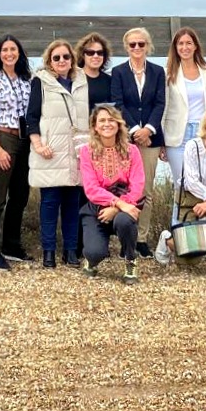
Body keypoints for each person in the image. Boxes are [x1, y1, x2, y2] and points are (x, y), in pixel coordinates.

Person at [154, 103, 206, 277]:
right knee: (189, 259)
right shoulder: (193, 146)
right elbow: (191, 182)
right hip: (191, 197)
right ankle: (167, 240)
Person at [27, 40, 87, 268]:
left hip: (75, 153)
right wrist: (38, 144)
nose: (62, 61)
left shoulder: (81, 82)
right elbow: (31, 117)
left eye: (66, 57)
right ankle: (49, 252)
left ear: (72, 59)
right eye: (57, 57)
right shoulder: (40, 83)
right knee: (50, 204)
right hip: (50, 152)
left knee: (72, 205)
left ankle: (70, 251)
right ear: (49, 61)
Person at [110, 27, 166, 258]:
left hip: (151, 138)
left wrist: (148, 129)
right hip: (126, 138)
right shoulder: (119, 72)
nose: (136, 48)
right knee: (124, 189)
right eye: (132, 44)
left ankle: (141, 238)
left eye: (141, 44)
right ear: (126, 47)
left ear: (148, 46)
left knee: (146, 191)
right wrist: (134, 130)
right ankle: (125, 238)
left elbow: (160, 103)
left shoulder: (157, 71)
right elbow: (118, 103)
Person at [0, 34, 32, 271]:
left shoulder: (26, 80)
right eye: (5, 50)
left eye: (13, 49)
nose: (9, 53)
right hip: (2, 137)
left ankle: (11, 245)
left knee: (20, 194)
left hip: (24, 140)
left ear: (19, 53)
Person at [78, 104, 146, 284]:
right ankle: (91, 260)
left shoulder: (132, 151)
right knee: (95, 253)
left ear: (118, 124)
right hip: (96, 209)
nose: (107, 124)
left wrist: (118, 207)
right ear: (94, 126)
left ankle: (130, 259)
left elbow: (137, 186)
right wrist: (119, 204)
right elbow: (91, 189)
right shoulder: (86, 151)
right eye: (102, 120)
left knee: (125, 220)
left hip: (125, 205)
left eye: (111, 120)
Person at [161, 27, 206, 228]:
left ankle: (205, 233)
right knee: (181, 185)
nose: (184, 47)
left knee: (204, 184)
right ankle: (179, 232)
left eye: (188, 43)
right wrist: (161, 142)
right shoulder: (169, 74)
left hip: (204, 135)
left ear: (195, 46)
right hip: (178, 135)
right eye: (180, 44)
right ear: (175, 47)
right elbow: (164, 107)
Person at [75, 32, 114, 107]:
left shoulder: (110, 81)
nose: (96, 56)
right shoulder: (73, 79)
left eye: (100, 53)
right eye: (90, 52)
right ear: (83, 55)